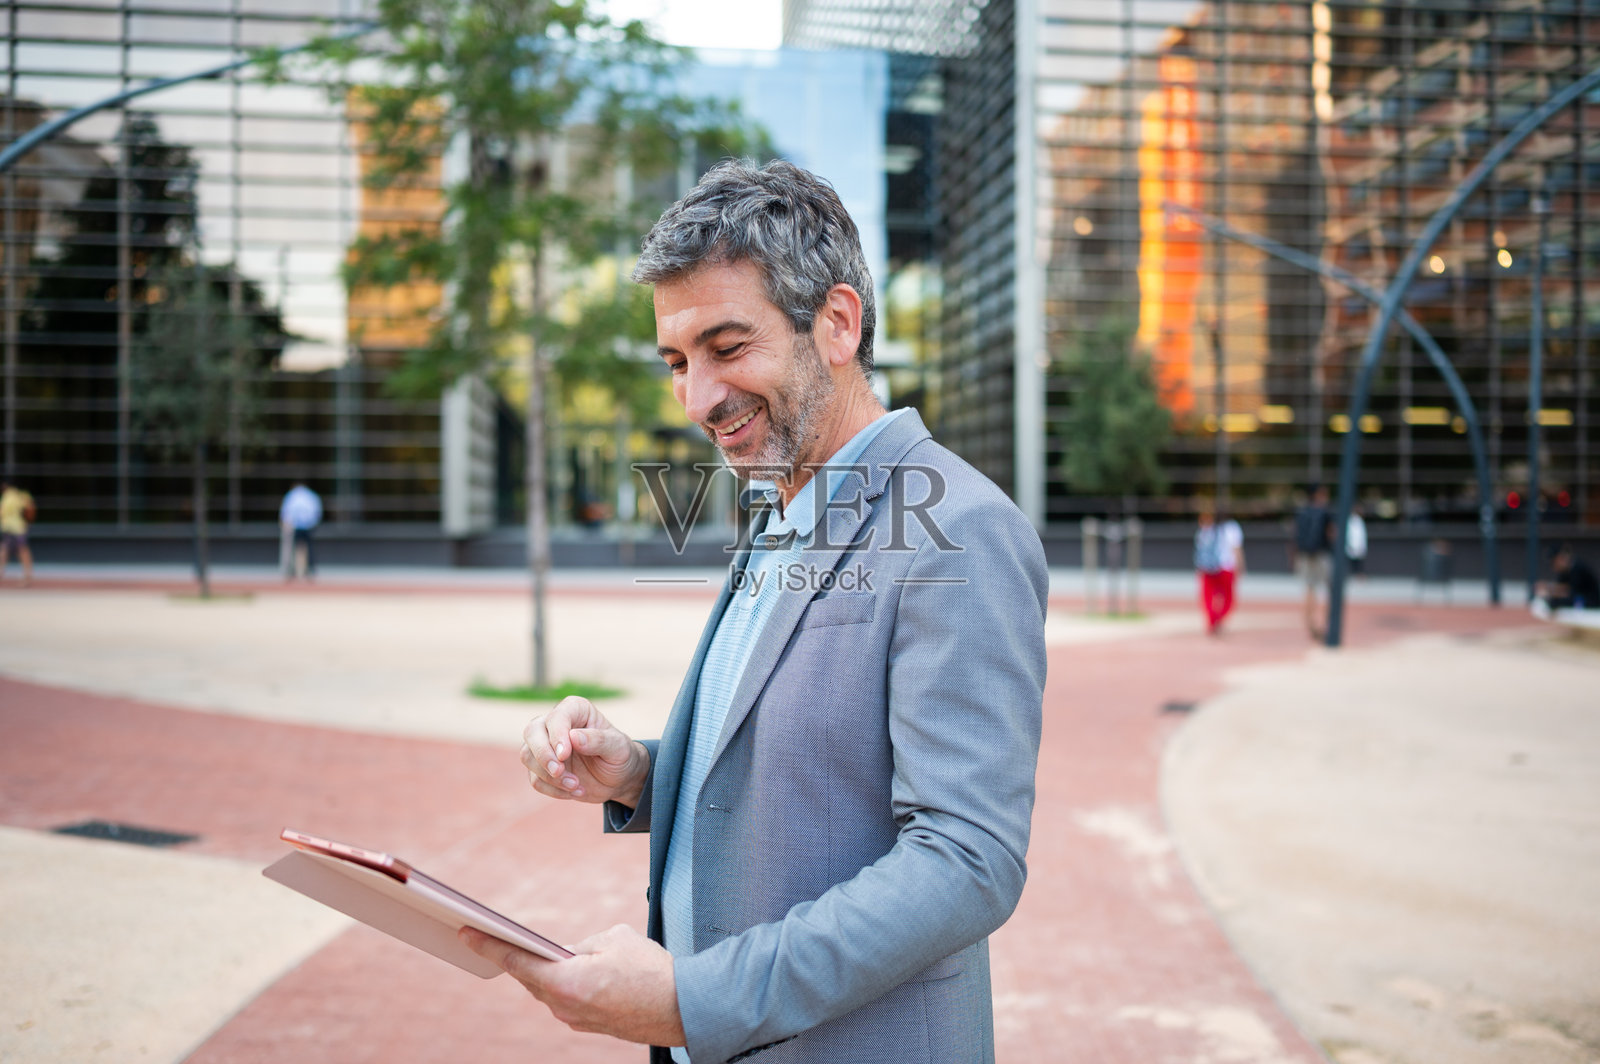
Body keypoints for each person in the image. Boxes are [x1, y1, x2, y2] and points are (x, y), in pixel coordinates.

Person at [459, 160, 1049, 1064]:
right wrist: (639, 775)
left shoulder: (960, 527)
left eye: (728, 348)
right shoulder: (781, 504)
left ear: (839, 324)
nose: (697, 399)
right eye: (677, 363)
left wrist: (696, 1002)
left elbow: (967, 863)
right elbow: (810, 783)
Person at [1290, 483, 1334, 640]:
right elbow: (1331, 534)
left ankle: (1310, 624)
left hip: (1304, 555)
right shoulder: (1324, 512)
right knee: (1330, 589)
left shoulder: (1301, 511)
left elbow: (1295, 535)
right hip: (1321, 554)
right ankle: (1327, 625)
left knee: (1309, 589)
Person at [1194, 503, 1243, 635]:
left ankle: (1212, 621)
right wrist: (1241, 566)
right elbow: (1236, 549)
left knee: (1208, 597)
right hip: (1226, 567)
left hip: (1207, 568)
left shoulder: (1207, 528)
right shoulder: (1232, 528)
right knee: (1228, 598)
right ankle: (1218, 620)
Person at [1532, 543, 1600, 618]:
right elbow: (1562, 587)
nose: (1553, 566)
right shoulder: (1565, 571)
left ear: (1561, 558)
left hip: (1591, 601)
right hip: (1579, 599)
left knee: (1557, 603)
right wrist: (1547, 589)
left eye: (1553, 562)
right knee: (1554, 601)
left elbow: (1569, 591)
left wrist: (1548, 589)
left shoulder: (1578, 568)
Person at [279, 482, 322, 580]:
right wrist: (313, 523)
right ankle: (309, 570)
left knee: (293, 550)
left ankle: (292, 571)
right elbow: (316, 511)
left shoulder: (291, 495)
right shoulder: (311, 496)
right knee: (309, 549)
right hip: (308, 526)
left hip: (295, 526)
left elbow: (286, 511)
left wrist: (286, 523)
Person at [0, 479, 36, 587]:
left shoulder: (7, 497)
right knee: (9, 551)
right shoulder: (23, 495)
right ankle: (27, 577)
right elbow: (30, 510)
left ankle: (27, 578)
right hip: (19, 528)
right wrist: (27, 522)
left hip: (12, 529)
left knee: (19, 551)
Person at [1346, 502, 1368, 578]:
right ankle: (1354, 574)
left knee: (1359, 561)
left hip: (1358, 544)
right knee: (1353, 561)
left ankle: (1359, 575)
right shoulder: (1352, 520)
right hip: (1353, 544)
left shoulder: (1359, 521)